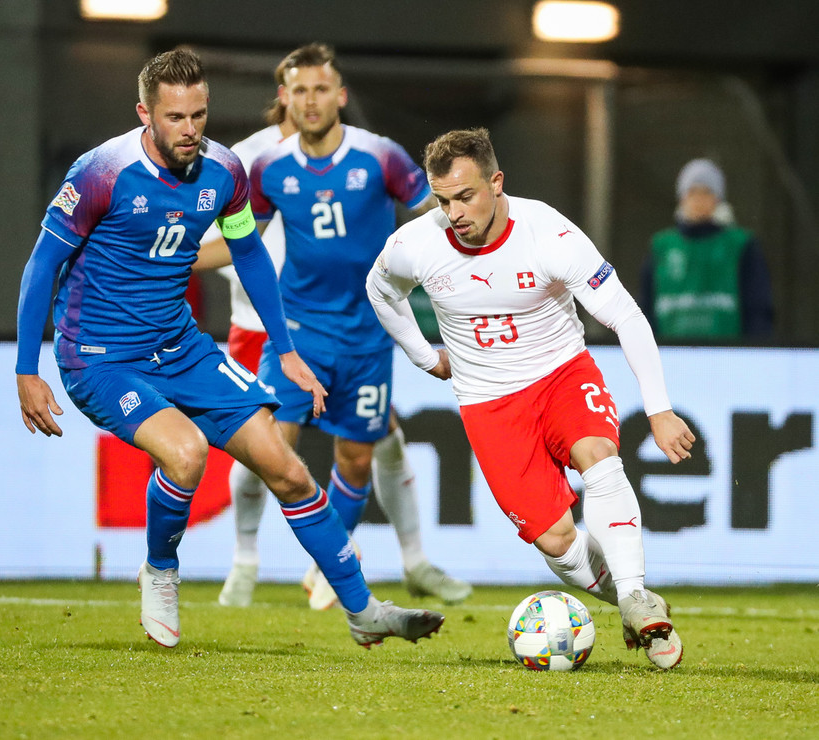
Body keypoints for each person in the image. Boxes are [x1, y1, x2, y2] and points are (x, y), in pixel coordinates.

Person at [15, 47, 444, 650]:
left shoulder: (224, 171)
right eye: (175, 118)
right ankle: (160, 570)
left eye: (199, 115)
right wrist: (26, 368)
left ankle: (363, 610)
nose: (190, 129)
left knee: (287, 469)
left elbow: (249, 253)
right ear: (145, 114)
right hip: (100, 357)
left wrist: (285, 349)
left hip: (182, 348)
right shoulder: (100, 171)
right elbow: (42, 266)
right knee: (186, 453)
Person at [366, 127, 696, 670]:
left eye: (465, 196)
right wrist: (424, 356)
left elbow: (625, 315)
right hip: (489, 404)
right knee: (556, 541)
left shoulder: (550, 234)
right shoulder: (415, 245)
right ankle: (632, 601)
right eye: (443, 201)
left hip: (561, 374)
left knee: (599, 457)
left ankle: (636, 594)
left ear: (496, 182)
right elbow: (379, 291)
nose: (454, 213)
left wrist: (659, 409)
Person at [196, 42, 472, 610]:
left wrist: (474, 240)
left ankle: (332, 562)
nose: (310, 100)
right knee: (269, 450)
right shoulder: (268, 166)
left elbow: (434, 211)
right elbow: (244, 241)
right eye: (300, 91)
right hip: (298, 332)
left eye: (321, 89)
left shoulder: (380, 156)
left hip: (369, 335)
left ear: (340, 95)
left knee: (357, 459)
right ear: (285, 98)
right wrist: (174, 259)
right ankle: (249, 562)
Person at [640, 158, 774, 341]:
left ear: (718, 198)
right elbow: (645, 308)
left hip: (727, 353)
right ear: (682, 197)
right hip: (670, 353)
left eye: (706, 192)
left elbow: (758, 308)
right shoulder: (661, 247)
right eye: (693, 192)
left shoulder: (741, 246)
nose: (699, 200)